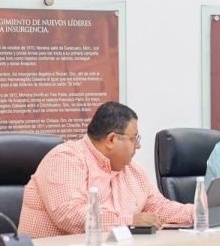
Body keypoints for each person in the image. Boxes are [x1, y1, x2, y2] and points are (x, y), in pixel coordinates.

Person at [19, 101, 194, 238]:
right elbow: (70, 215)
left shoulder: (133, 170)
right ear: (111, 139)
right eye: (134, 139)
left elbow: (159, 208)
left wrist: (200, 211)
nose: (138, 146)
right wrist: (129, 221)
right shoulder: (65, 158)